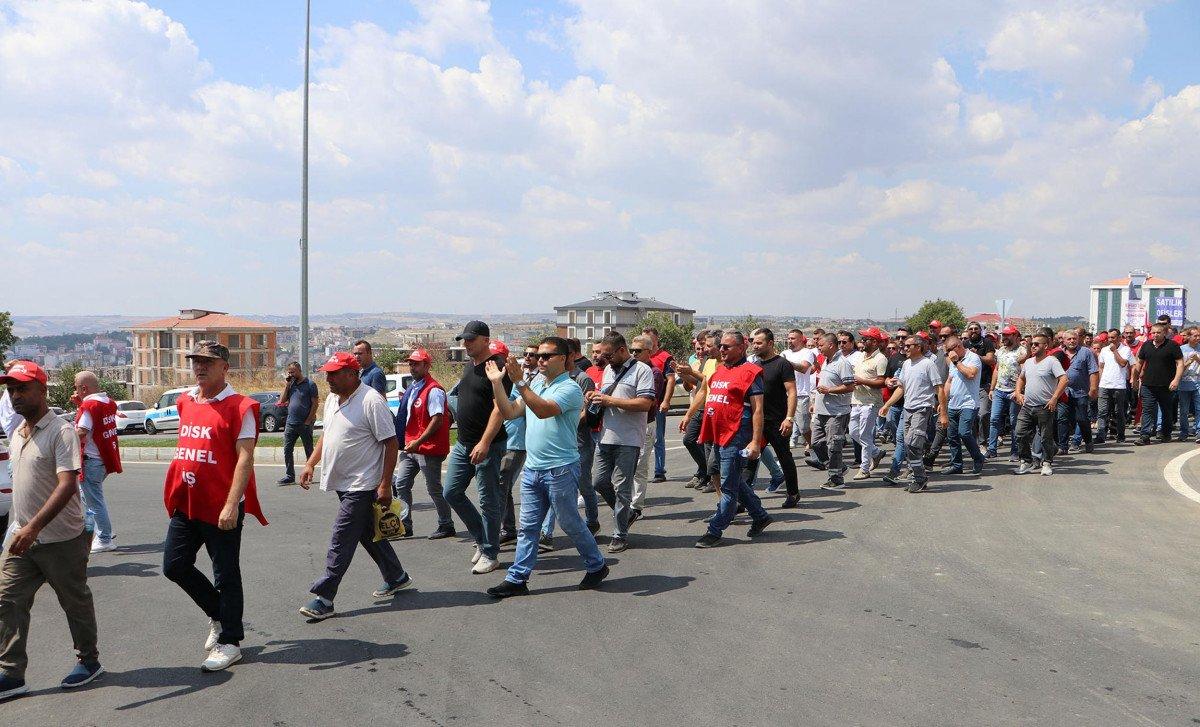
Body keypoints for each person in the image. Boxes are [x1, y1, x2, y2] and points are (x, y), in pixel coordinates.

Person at [161, 342, 267, 673]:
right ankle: (219, 614)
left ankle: (231, 641)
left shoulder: (241, 407)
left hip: (221, 506)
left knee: (226, 572)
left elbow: (245, 457)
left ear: (225, 367)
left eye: (208, 361)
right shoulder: (186, 401)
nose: (200, 366)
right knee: (174, 565)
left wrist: (232, 504)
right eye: (196, 360)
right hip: (187, 502)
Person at [0, 361, 102, 700]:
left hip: (62, 539)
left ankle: (89, 662)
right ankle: (12, 674)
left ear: (42, 390)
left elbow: (67, 484)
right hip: (23, 538)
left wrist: (34, 526)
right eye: (11, 390)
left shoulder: (61, 431)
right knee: (7, 600)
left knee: (74, 602)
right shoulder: (17, 434)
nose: (15, 396)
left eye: (22, 389)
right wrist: (22, 527)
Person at [484, 337, 608, 597]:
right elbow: (509, 412)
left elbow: (543, 411)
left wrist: (519, 382)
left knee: (570, 522)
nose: (539, 360)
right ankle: (517, 579)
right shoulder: (536, 383)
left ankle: (596, 565)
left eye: (545, 356)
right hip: (533, 468)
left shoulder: (570, 389)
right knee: (528, 527)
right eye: (538, 355)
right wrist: (497, 383)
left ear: (563, 359)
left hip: (560, 469)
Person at [298, 351, 410, 621]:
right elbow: (327, 434)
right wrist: (311, 463)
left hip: (363, 484)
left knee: (341, 537)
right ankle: (396, 575)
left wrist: (385, 485)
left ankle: (325, 597)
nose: (329, 379)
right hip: (342, 483)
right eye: (327, 373)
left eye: (334, 373)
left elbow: (391, 443)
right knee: (366, 533)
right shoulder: (333, 400)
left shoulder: (371, 401)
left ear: (352, 373)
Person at [443, 321, 511, 574]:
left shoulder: (497, 367)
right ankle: (483, 540)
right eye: (464, 339)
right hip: (463, 444)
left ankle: (491, 553)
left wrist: (484, 442)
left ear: (486, 340)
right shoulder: (470, 367)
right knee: (451, 492)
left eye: (471, 339)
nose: (466, 343)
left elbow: (499, 409)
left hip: (488, 445)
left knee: (488, 501)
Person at [693, 331, 772, 548]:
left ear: (741, 348)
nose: (722, 350)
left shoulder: (751, 372)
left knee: (728, 487)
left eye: (727, 347)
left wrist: (755, 441)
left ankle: (714, 530)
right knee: (734, 480)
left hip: (736, 437)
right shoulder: (718, 371)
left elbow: (758, 410)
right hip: (718, 436)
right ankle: (760, 515)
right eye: (721, 346)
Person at [587, 332, 655, 553]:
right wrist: (595, 397)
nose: (604, 359)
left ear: (622, 350)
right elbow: (606, 396)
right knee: (598, 482)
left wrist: (610, 400)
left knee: (623, 488)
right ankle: (626, 514)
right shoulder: (608, 369)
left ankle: (620, 534)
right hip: (605, 435)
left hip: (629, 438)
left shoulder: (642, 371)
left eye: (608, 355)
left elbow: (645, 403)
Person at [391, 349, 454, 539]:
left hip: (428, 448)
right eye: (410, 363)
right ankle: (405, 525)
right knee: (401, 484)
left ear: (427, 366)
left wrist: (418, 441)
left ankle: (446, 524)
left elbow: (437, 420)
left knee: (433, 488)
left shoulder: (433, 390)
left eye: (416, 364)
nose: (412, 367)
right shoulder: (414, 387)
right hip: (411, 447)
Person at [880, 338, 946, 492]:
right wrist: (887, 405)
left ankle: (919, 477)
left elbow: (940, 389)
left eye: (908, 345)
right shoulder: (906, 364)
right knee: (908, 444)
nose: (905, 347)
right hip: (907, 409)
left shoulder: (928, 364)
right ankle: (920, 477)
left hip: (922, 409)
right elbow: (901, 388)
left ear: (918, 347)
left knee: (912, 443)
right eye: (905, 346)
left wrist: (943, 414)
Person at [746, 329, 800, 507]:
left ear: (770, 343)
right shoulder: (755, 366)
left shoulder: (782, 364)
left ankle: (793, 494)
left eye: (759, 343)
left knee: (784, 457)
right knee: (750, 459)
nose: (755, 345)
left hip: (778, 422)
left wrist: (789, 418)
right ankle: (744, 499)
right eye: (754, 342)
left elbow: (792, 392)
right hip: (758, 422)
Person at [72, 371, 122, 553]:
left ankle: (105, 538)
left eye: (76, 387)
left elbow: (83, 430)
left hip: (91, 461)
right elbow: (97, 419)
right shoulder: (107, 402)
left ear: (83, 388)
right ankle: (103, 528)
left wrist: (62, 439)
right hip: (103, 460)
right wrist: (81, 403)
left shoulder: (90, 405)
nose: (75, 391)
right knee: (87, 498)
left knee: (94, 502)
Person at [805, 332, 855, 491]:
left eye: (821, 345)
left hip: (837, 412)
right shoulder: (826, 361)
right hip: (821, 411)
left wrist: (830, 390)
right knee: (816, 444)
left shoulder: (842, 363)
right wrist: (815, 403)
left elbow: (850, 386)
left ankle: (836, 478)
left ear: (831, 345)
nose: (818, 348)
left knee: (834, 446)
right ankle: (838, 467)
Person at [1013, 334, 1068, 475]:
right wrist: (1018, 392)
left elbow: (1063, 379)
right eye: (1032, 344)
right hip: (1027, 405)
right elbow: (1021, 378)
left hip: (1045, 406)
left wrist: (1055, 398)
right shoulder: (1029, 362)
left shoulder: (1052, 361)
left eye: (1037, 344)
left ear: (1046, 346)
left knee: (1045, 437)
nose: (1033, 346)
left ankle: (1047, 463)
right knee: (1019, 433)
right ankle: (1026, 461)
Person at [498, 343, 536, 547]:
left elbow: (519, 403)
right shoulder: (509, 379)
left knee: (502, 485)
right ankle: (508, 528)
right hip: (503, 439)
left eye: (533, 354)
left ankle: (509, 529)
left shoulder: (530, 380)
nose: (529, 357)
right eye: (526, 354)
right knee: (501, 486)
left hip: (517, 441)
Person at [678, 331, 720, 491]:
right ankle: (708, 476)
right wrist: (688, 415)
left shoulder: (726, 365)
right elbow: (702, 388)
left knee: (721, 459)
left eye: (708, 346)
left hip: (721, 415)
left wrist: (690, 372)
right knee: (692, 441)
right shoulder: (708, 363)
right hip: (704, 411)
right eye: (703, 346)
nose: (704, 349)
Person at [630, 335, 665, 521]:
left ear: (649, 352)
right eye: (632, 350)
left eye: (638, 351)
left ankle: (635, 507)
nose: (633, 354)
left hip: (645, 424)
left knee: (639, 467)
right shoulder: (629, 370)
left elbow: (650, 403)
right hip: (628, 425)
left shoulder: (654, 373)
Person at [940, 334, 985, 475]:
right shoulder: (953, 361)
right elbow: (949, 382)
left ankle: (978, 458)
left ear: (958, 346)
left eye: (949, 351)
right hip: (953, 404)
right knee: (951, 435)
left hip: (969, 403)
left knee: (964, 432)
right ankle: (957, 465)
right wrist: (943, 403)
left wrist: (956, 362)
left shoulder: (973, 358)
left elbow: (971, 374)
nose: (948, 354)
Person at [1133, 323, 1184, 446]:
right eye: (1153, 333)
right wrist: (1134, 379)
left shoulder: (1172, 346)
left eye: (1158, 333)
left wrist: (1176, 380)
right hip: (1148, 385)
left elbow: (1180, 364)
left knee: (1166, 410)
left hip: (1166, 385)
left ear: (1164, 333)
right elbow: (1139, 363)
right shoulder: (1146, 345)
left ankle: (1166, 433)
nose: (1155, 335)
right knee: (1147, 410)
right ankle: (1145, 435)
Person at [848, 327, 888, 480]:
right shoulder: (860, 356)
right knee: (853, 432)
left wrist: (862, 381)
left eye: (866, 339)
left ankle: (864, 469)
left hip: (870, 402)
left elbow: (881, 381)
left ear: (875, 342)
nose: (862, 341)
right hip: (857, 400)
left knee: (864, 435)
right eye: (863, 339)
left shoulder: (881, 359)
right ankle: (876, 453)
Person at [642, 327, 676, 484]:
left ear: (656, 340)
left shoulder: (665, 357)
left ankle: (659, 471)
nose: (646, 341)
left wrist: (666, 401)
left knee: (658, 437)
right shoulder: (639, 356)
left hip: (657, 404)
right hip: (641, 404)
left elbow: (670, 379)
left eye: (649, 338)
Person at [1056, 330, 1098, 454]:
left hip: (1081, 392)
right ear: (1063, 341)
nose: (1072, 341)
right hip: (1063, 392)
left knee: (1082, 419)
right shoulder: (1058, 353)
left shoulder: (1086, 352)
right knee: (1062, 418)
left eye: (1074, 338)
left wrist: (1093, 389)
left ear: (1078, 339)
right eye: (1068, 339)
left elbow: (1093, 371)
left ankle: (1088, 441)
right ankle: (1063, 446)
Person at [987, 326, 1026, 460]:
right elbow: (997, 370)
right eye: (1003, 335)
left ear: (1015, 336)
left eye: (1008, 335)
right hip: (999, 390)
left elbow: (1024, 372)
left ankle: (1015, 451)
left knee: (1015, 421)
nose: (1005, 337)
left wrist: (1019, 391)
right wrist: (992, 388)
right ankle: (991, 449)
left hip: (1014, 392)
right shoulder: (1001, 351)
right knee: (994, 419)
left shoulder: (1022, 351)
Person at [278, 361, 318, 485]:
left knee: (308, 450)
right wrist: (287, 385)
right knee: (287, 449)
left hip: (304, 423)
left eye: (293, 372)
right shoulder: (291, 385)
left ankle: (308, 474)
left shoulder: (310, 384)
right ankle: (289, 475)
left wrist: (308, 420)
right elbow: (282, 400)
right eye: (289, 372)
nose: (291, 374)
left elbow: (315, 404)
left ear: (299, 371)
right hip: (291, 423)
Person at [963, 322, 997, 445]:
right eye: (970, 329)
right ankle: (973, 441)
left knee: (983, 414)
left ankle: (983, 442)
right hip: (968, 386)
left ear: (980, 330)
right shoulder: (964, 344)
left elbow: (991, 360)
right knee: (972, 416)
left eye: (976, 329)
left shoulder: (986, 342)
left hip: (983, 385)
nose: (973, 331)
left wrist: (976, 355)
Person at [782, 329, 815, 452]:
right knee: (784, 425)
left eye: (793, 338)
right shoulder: (784, 353)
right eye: (789, 338)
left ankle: (814, 446)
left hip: (800, 395)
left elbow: (803, 368)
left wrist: (787, 363)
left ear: (801, 339)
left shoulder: (807, 352)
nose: (789, 341)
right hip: (784, 395)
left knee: (803, 427)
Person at [1178, 328, 1200, 443]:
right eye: (1195, 336)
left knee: (1199, 408)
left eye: (1198, 336)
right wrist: (1188, 362)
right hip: (1184, 383)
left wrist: (1198, 359)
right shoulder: (1181, 349)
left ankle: (1199, 431)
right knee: (1184, 410)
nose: (1198, 338)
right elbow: (1179, 368)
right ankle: (1184, 432)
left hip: (1198, 382)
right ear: (1188, 337)